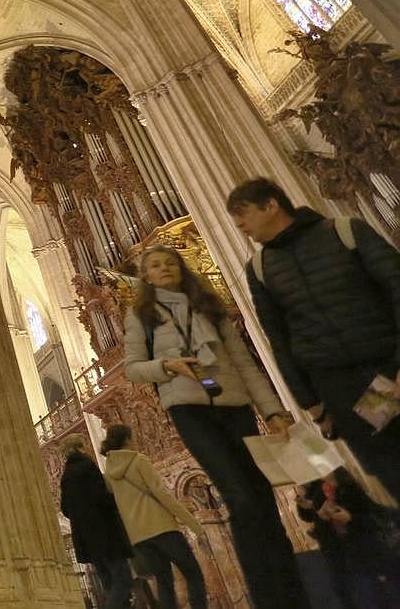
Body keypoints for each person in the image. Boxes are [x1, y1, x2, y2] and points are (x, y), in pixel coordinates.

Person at [123, 244, 307, 607]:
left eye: (170, 263)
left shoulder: (209, 306)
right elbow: (132, 367)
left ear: (181, 268)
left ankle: (293, 593)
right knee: (239, 496)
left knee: (262, 497)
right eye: (155, 265)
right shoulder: (141, 314)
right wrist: (167, 366)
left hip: (234, 403)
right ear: (146, 276)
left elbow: (243, 363)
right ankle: (266, 595)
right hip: (189, 409)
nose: (164, 269)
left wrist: (272, 410)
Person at [227, 178, 400, 500]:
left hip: (387, 365)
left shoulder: (345, 231)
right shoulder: (260, 268)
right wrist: (312, 405)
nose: (238, 224)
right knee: (388, 465)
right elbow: (279, 339)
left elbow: (396, 288)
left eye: (242, 212)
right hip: (338, 385)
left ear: (271, 204)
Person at [99, 424, 207, 609]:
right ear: (126, 439)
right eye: (131, 438)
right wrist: (194, 524)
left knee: (164, 581)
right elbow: (162, 494)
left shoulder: (109, 473)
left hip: (139, 537)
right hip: (162, 527)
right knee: (193, 573)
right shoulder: (138, 460)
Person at [300, 468, 400, 607]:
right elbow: (314, 519)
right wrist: (321, 516)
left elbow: (375, 518)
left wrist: (350, 519)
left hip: (366, 551)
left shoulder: (350, 489)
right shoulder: (320, 492)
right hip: (340, 554)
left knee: (377, 593)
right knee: (351, 593)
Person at [57, 437, 130, 609]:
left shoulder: (66, 475)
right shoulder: (87, 467)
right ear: (81, 448)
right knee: (123, 580)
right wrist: (116, 500)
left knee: (108, 583)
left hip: (87, 539)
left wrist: (81, 517)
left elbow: (66, 508)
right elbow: (100, 497)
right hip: (105, 533)